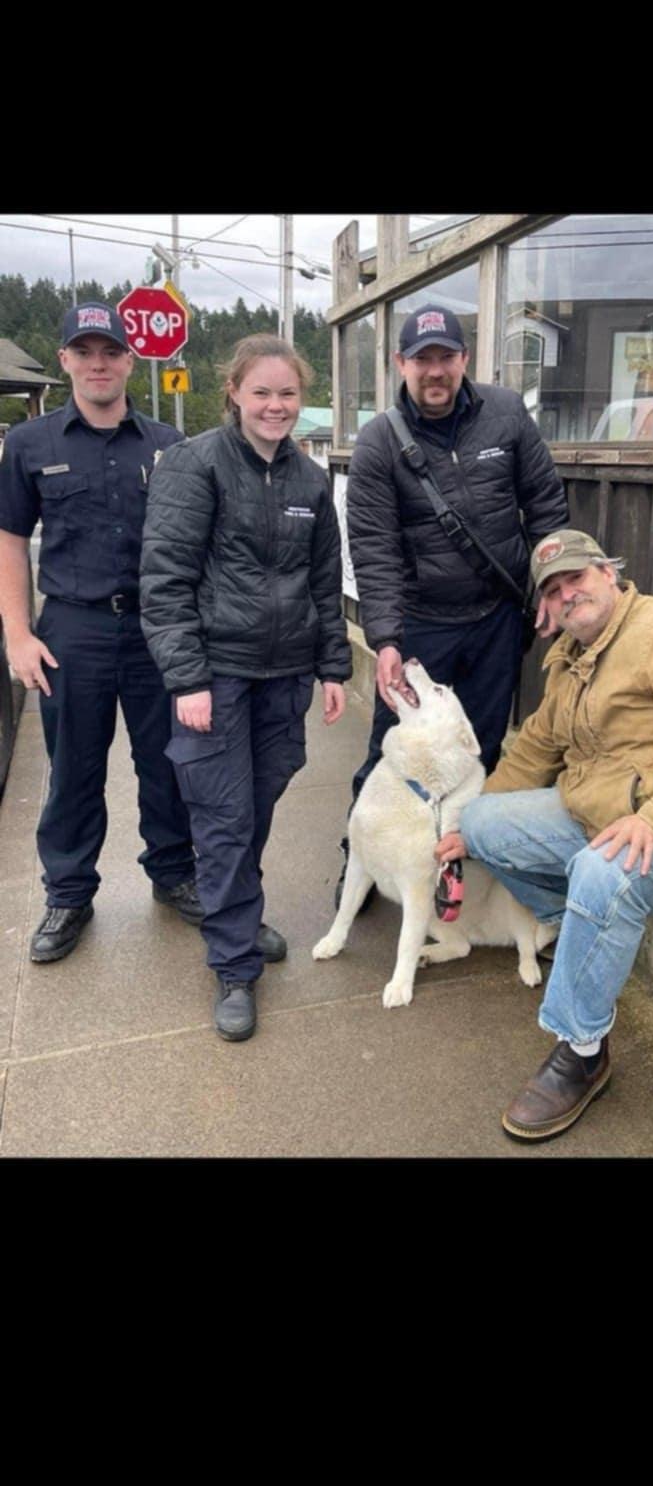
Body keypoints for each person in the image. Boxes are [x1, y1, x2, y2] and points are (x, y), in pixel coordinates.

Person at [435, 527, 653, 1142]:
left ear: (609, 572)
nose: (568, 594)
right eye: (553, 588)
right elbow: (536, 750)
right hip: (611, 816)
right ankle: (576, 927)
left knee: (607, 872)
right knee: (483, 821)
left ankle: (582, 1048)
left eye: (577, 577)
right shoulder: (571, 661)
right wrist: (469, 827)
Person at [140, 334, 351, 1042]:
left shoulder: (309, 480)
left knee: (256, 807)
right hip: (218, 680)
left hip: (283, 678)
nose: (275, 405)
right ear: (232, 391)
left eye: (287, 393)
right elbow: (165, 580)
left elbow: (324, 581)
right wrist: (188, 679)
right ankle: (233, 964)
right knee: (224, 821)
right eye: (260, 392)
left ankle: (236, 909)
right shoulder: (195, 464)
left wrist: (331, 668)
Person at [337, 301, 568, 904]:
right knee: (392, 755)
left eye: (445, 357)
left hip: (496, 619)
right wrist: (385, 640)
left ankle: (451, 865)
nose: (434, 371)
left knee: (479, 751)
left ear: (464, 359)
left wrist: (549, 585)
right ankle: (357, 861)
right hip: (421, 627)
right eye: (422, 359)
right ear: (401, 363)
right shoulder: (378, 441)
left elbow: (545, 507)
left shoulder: (507, 413)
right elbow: (374, 548)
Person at [0, 302, 201, 964]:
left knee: (166, 764)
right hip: (72, 630)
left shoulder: (168, 445)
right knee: (73, 772)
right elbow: (8, 539)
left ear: (130, 359)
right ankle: (68, 893)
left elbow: (192, 545)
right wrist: (17, 633)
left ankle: (173, 874)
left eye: (109, 351)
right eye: (83, 351)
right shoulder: (30, 445)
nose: (97, 363)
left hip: (155, 629)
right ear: (64, 361)